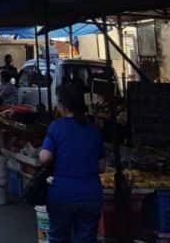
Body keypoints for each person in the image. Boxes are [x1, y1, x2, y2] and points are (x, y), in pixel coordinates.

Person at [39, 83, 105, 243]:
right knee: (86, 239)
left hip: (61, 194)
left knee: (59, 238)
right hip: (90, 195)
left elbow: (45, 157)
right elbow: (102, 166)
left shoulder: (56, 127)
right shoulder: (93, 130)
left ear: (62, 105)